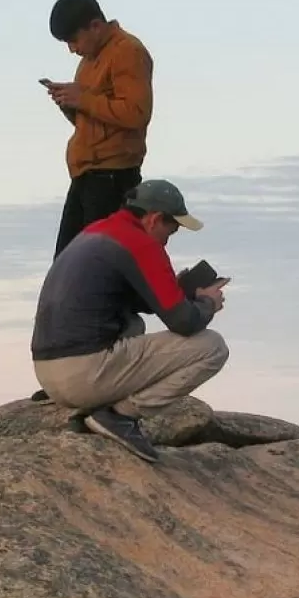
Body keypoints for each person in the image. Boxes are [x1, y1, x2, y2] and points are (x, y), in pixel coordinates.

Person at [29, 179, 230, 463]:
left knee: (134, 325)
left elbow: (136, 302)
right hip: (83, 375)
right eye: (170, 230)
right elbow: (183, 322)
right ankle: (118, 416)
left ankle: (93, 404)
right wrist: (208, 304)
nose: (167, 239)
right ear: (154, 219)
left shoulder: (96, 232)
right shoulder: (142, 244)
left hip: (49, 374)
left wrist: (181, 288)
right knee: (213, 347)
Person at [42, 0, 154, 258]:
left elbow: (137, 113)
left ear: (95, 26)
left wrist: (84, 99)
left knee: (95, 265)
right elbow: (93, 120)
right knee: (68, 264)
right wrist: (70, 103)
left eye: (73, 40)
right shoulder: (88, 61)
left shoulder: (128, 51)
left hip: (112, 175)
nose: (72, 49)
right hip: (87, 173)